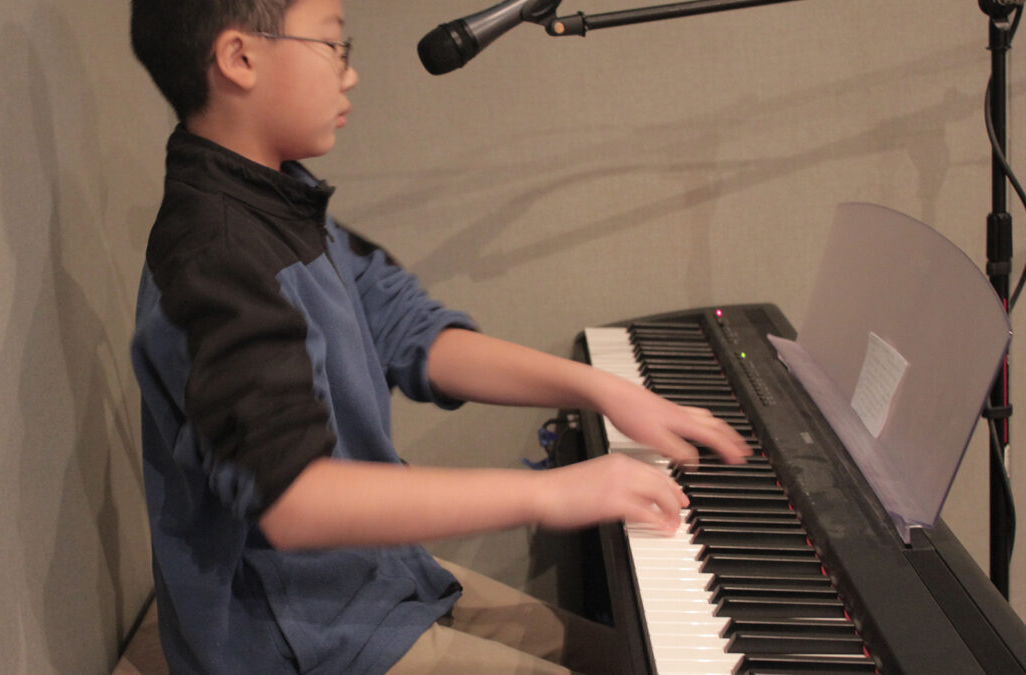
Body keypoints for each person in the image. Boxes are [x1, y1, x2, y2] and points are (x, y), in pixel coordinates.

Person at [127, 0, 751, 672]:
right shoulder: (213, 256)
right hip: (300, 641)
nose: (350, 74)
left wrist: (602, 387)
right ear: (240, 58)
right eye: (333, 44)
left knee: (637, 656)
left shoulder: (279, 197)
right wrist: (552, 492)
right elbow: (296, 500)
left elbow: (410, 330)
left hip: (374, 584)